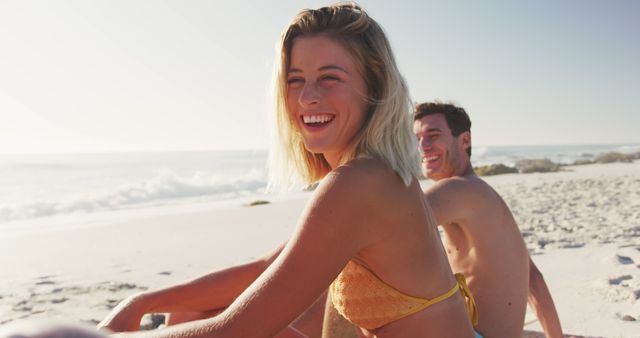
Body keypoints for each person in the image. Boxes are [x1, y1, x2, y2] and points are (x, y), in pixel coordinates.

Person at [99, 4, 477, 338]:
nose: (308, 96)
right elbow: (267, 269)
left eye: (330, 77)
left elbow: (236, 331)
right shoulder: (371, 172)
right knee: (191, 310)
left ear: (374, 86)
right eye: (295, 79)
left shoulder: (359, 183)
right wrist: (141, 301)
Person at [324, 102, 565, 338]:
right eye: (417, 138)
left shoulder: (458, 189)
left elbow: (377, 227)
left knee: (346, 272)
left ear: (465, 141)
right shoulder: (480, 193)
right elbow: (533, 278)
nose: (422, 146)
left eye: (433, 135)